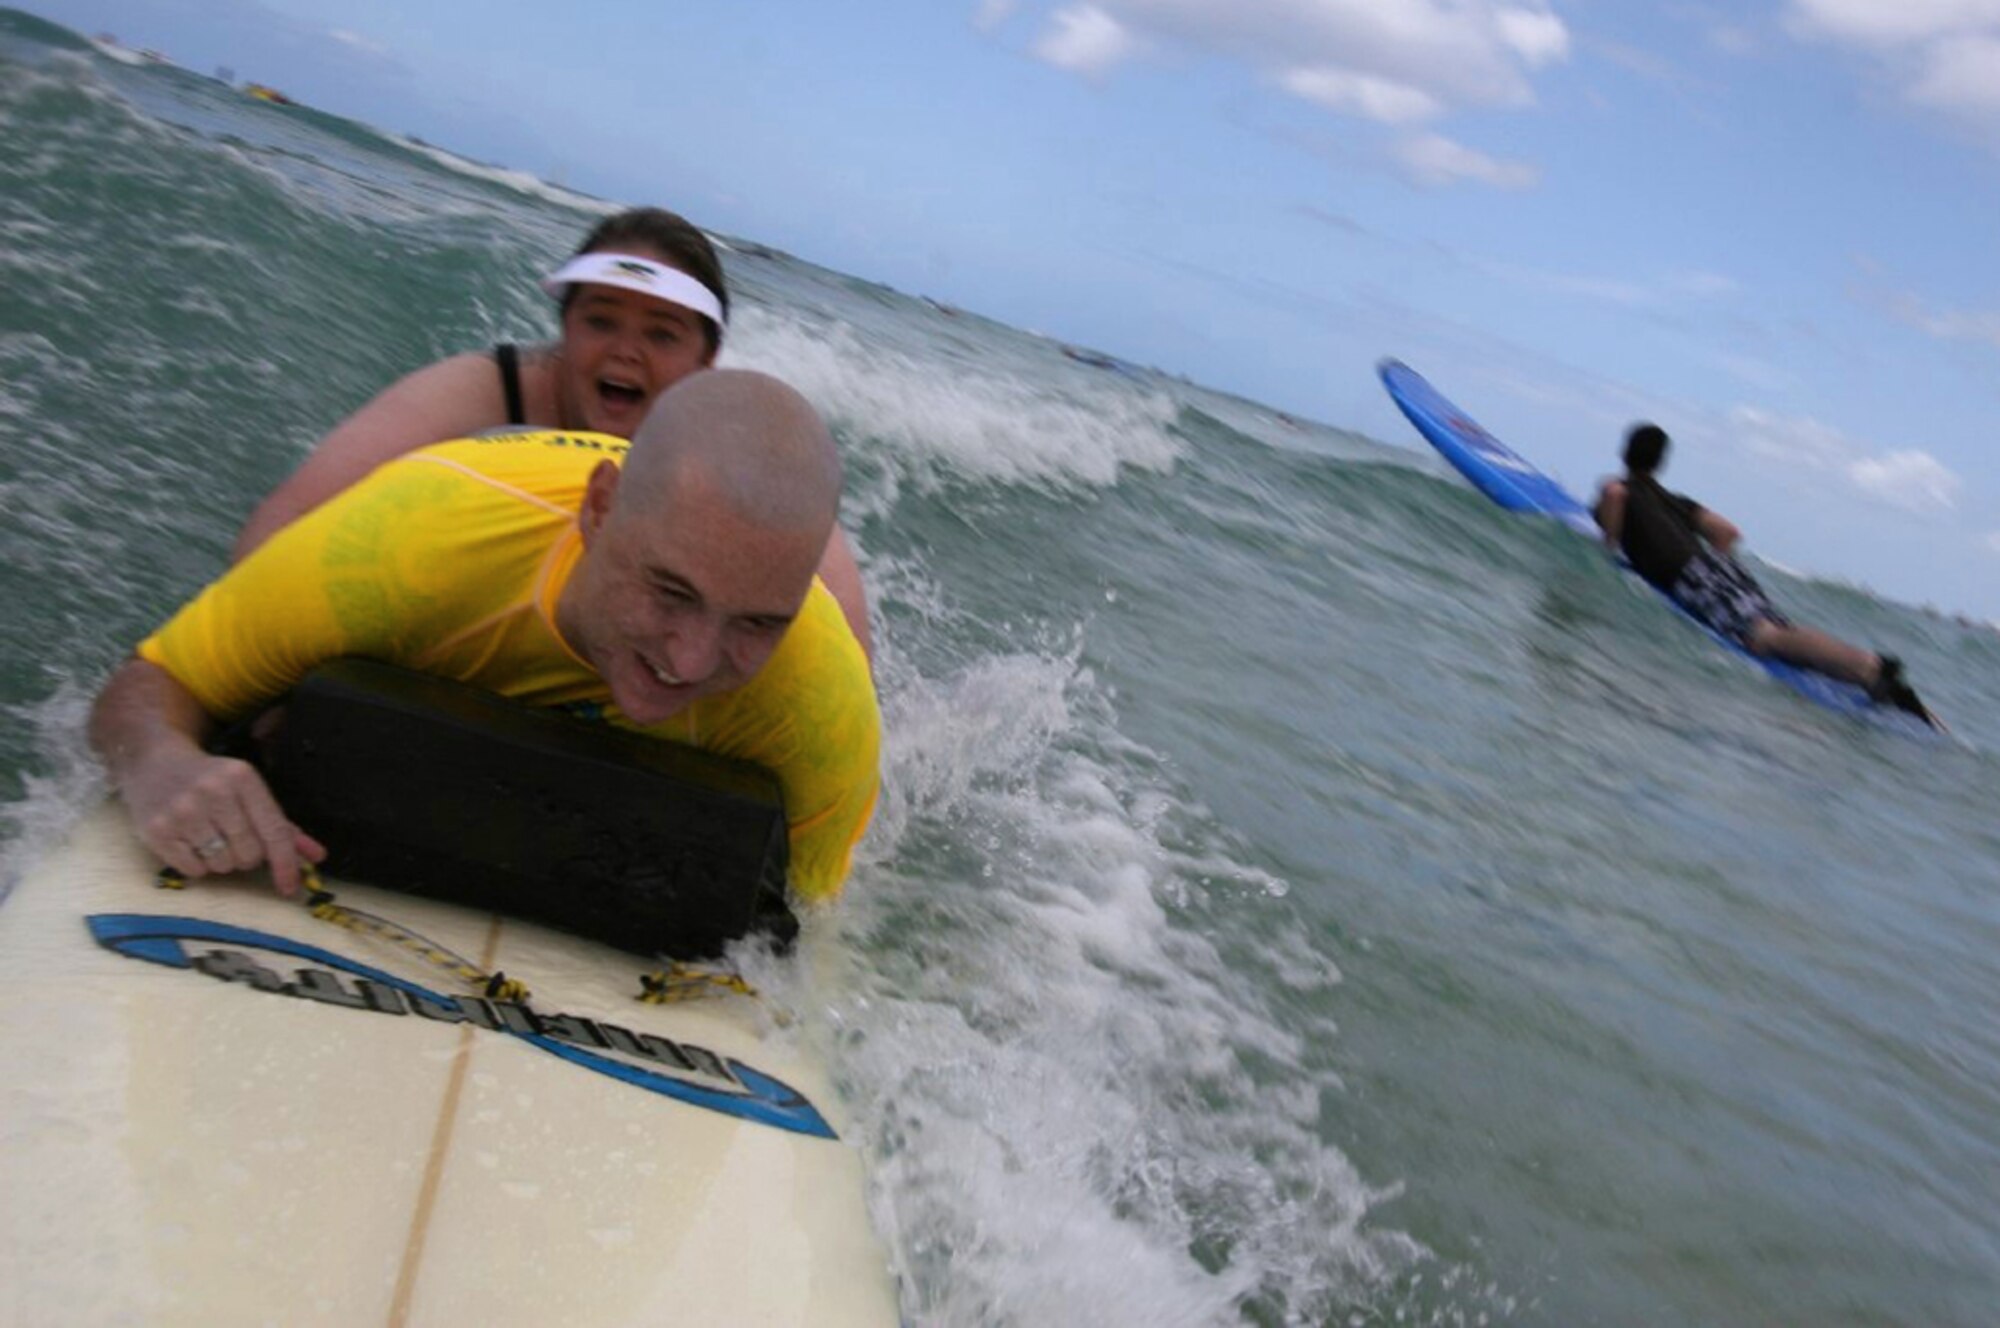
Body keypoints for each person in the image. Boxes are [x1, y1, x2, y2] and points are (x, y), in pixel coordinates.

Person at [90, 370, 880, 902]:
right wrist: (160, 761)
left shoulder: (821, 705)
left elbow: (808, 922)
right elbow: (152, 684)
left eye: (756, 624)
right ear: (600, 512)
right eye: (670, 592)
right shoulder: (407, 545)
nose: (693, 658)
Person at [233, 207, 874, 660]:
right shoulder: (495, 389)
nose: (625, 352)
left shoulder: (734, 442)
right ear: (565, 330)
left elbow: (842, 636)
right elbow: (293, 514)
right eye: (600, 321)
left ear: (707, 363)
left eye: (662, 333)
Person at [1593, 422, 1934, 722]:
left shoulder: (1622, 488)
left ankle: (1868, 668)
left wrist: (1609, 545)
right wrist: (1717, 567)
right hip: (1719, 570)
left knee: (1764, 639)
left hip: (1691, 575)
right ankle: (1890, 691)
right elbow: (1726, 532)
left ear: (1625, 452)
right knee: (1780, 635)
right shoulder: (1674, 499)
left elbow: (1614, 493)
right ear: (1660, 462)